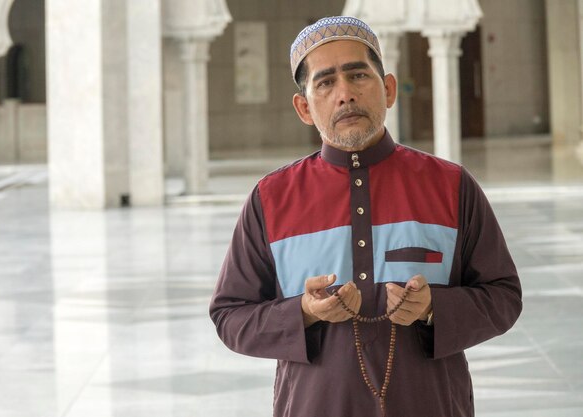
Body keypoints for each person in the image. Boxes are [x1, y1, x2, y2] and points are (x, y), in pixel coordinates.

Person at [209, 16, 522, 417]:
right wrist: (303, 312)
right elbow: (229, 315)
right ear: (304, 107)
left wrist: (433, 309)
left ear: (388, 88)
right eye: (325, 83)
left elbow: (504, 296)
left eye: (358, 75)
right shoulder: (272, 198)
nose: (345, 94)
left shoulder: (451, 185)